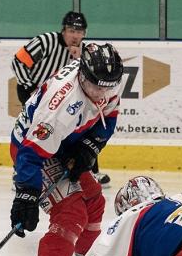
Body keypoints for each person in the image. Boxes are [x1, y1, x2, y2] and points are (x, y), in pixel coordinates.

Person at [9, 42, 123, 256]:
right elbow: (30, 154)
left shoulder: (105, 79)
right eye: (96, 87)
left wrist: (91, 145)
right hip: (35, 152)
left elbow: (110, 113)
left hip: (65, 144)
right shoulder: (60, 106)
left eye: (108, 86)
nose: (102, 93)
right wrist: (26, 195)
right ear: (82, 75)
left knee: (94, 201)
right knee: (71, 213)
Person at [11, 11, 110, 186]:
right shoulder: (46, 41)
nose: (75, 35)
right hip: (34, 92)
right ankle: (20, 171)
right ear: (63, 30)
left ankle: (91, 170)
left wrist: (77, 56)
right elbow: (18, 61)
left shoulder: (84, 51)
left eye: (80, 32)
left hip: (63, 98)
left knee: (80, 130)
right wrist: (30, 86)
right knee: (33, 128)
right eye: (72, 31)